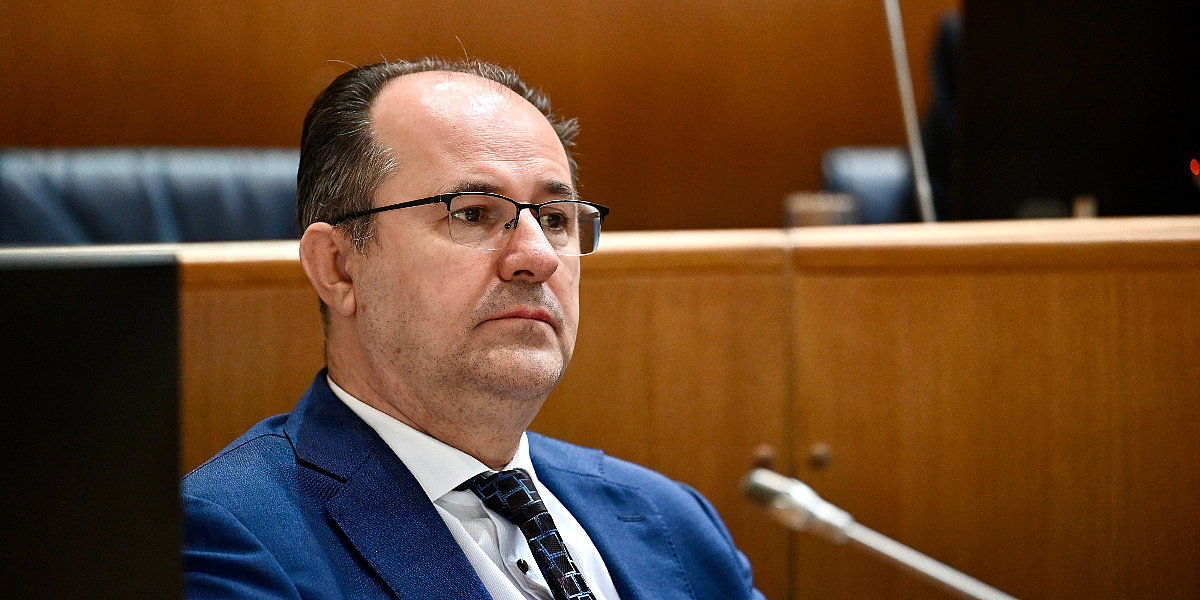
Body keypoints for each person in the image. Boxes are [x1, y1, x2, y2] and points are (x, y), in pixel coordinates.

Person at [182, 57, 765, 600]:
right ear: (338, 266)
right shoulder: (227, 539)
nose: (538, 257)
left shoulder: (673, 519)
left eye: (555, 219)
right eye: (473, 213)